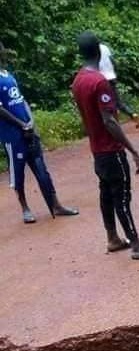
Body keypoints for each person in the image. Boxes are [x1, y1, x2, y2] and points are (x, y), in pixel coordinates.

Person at [72, 32, 139, 260]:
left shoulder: (78, 81)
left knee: (106, 195)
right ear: (98, 51)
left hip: (97, 151)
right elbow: (109, 120)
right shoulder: (99, 82)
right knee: (122, 198)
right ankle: (137, 246)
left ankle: (113, 238)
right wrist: (132, 150)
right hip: (111, 151)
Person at [0, 41, 78, 223]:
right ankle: (24, 207)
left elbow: (21, 99)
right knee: (18, 172)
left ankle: (55, 204)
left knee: (42, 169)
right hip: (12, 134)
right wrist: (21, 124)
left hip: (28, 130)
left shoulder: (8, 75)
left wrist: (31, 121)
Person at [98, 42, 139, 127]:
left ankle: (112, 123)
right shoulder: (105, 47)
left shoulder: (92, 50)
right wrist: (114, 72)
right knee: (117, 101)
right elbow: (112, 61)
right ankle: (132, 114)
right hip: (111, 76)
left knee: (104, 103)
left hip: (101, 79)